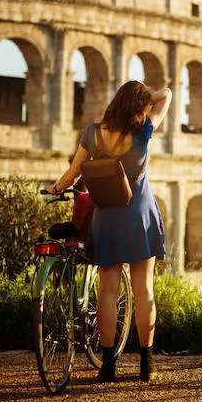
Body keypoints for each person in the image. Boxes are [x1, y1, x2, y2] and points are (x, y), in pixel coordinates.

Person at [48, 81, 171, 382]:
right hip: (139, 215)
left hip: (106, 219)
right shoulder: (143, 131)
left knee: (107, 292)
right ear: (139, 106)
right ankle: (147, 365)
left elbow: (74, 172)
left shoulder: (93, 133)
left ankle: (108, 366)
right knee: (144, 292)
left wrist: (57, 187)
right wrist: (146, 97)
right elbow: (165, 95)